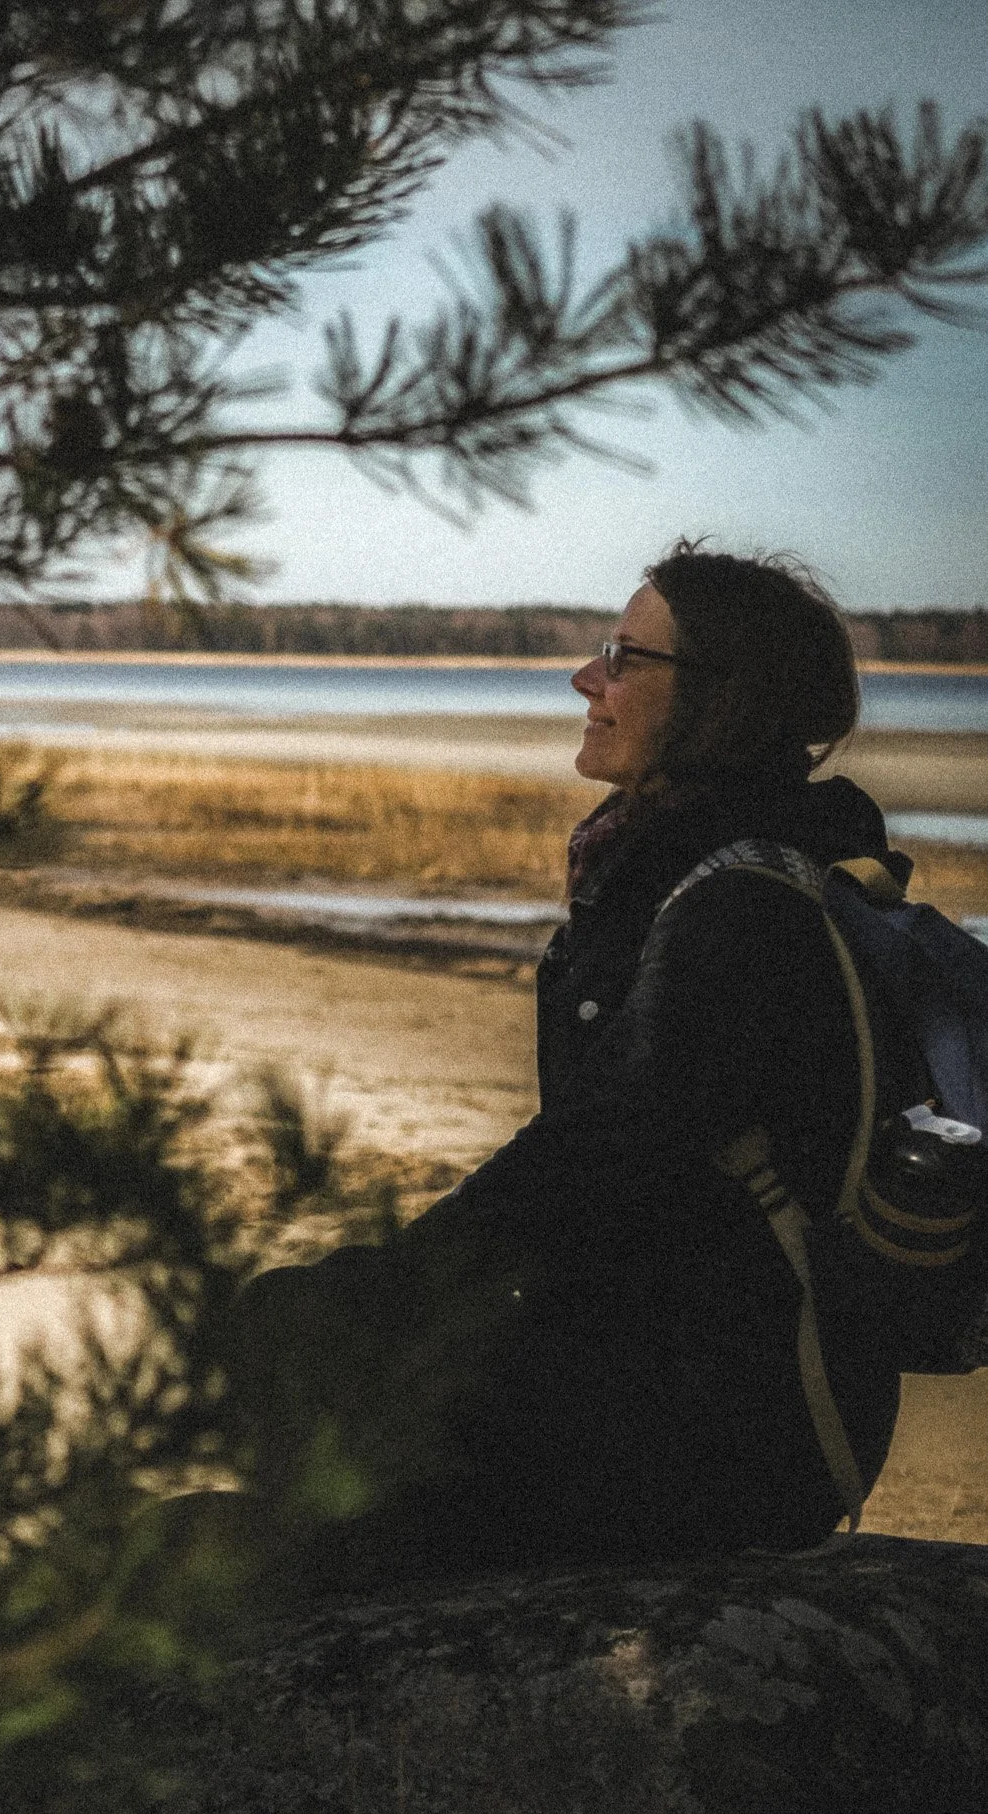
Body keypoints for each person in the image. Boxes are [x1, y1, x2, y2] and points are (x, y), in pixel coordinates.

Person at [229, 542, 922, 1600]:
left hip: (725, 1431)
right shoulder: (693, 871)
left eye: (624, 657)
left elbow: (595, 1164)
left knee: (274, 1409)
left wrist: (381, 1294)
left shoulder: (739, 909)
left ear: (721, 700)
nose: (585, 678)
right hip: (681, 1377)